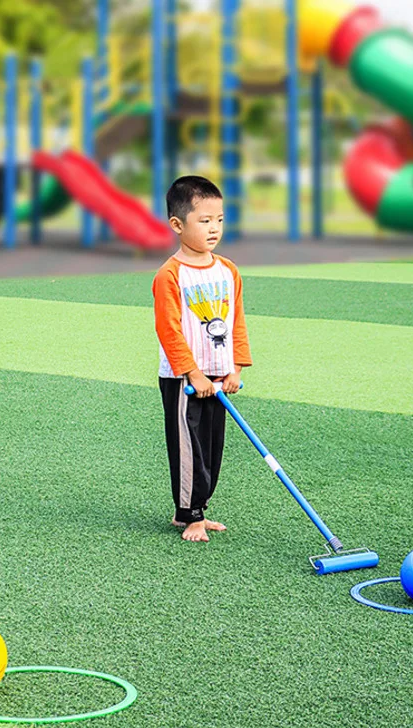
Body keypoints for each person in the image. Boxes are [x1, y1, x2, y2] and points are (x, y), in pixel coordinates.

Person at [152, 175, 252, 543]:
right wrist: (193, 374)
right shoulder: (170, 275)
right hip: (185, 380)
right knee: (189, 446)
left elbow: (236, 320)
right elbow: (169, 331)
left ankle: (198, 508)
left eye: (220, 220)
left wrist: (235, 368)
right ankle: (190, 515)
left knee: (211, 446)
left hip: (218, 375)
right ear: (178, 225)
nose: (214, 229)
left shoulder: (228, 270)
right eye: (204, 221)